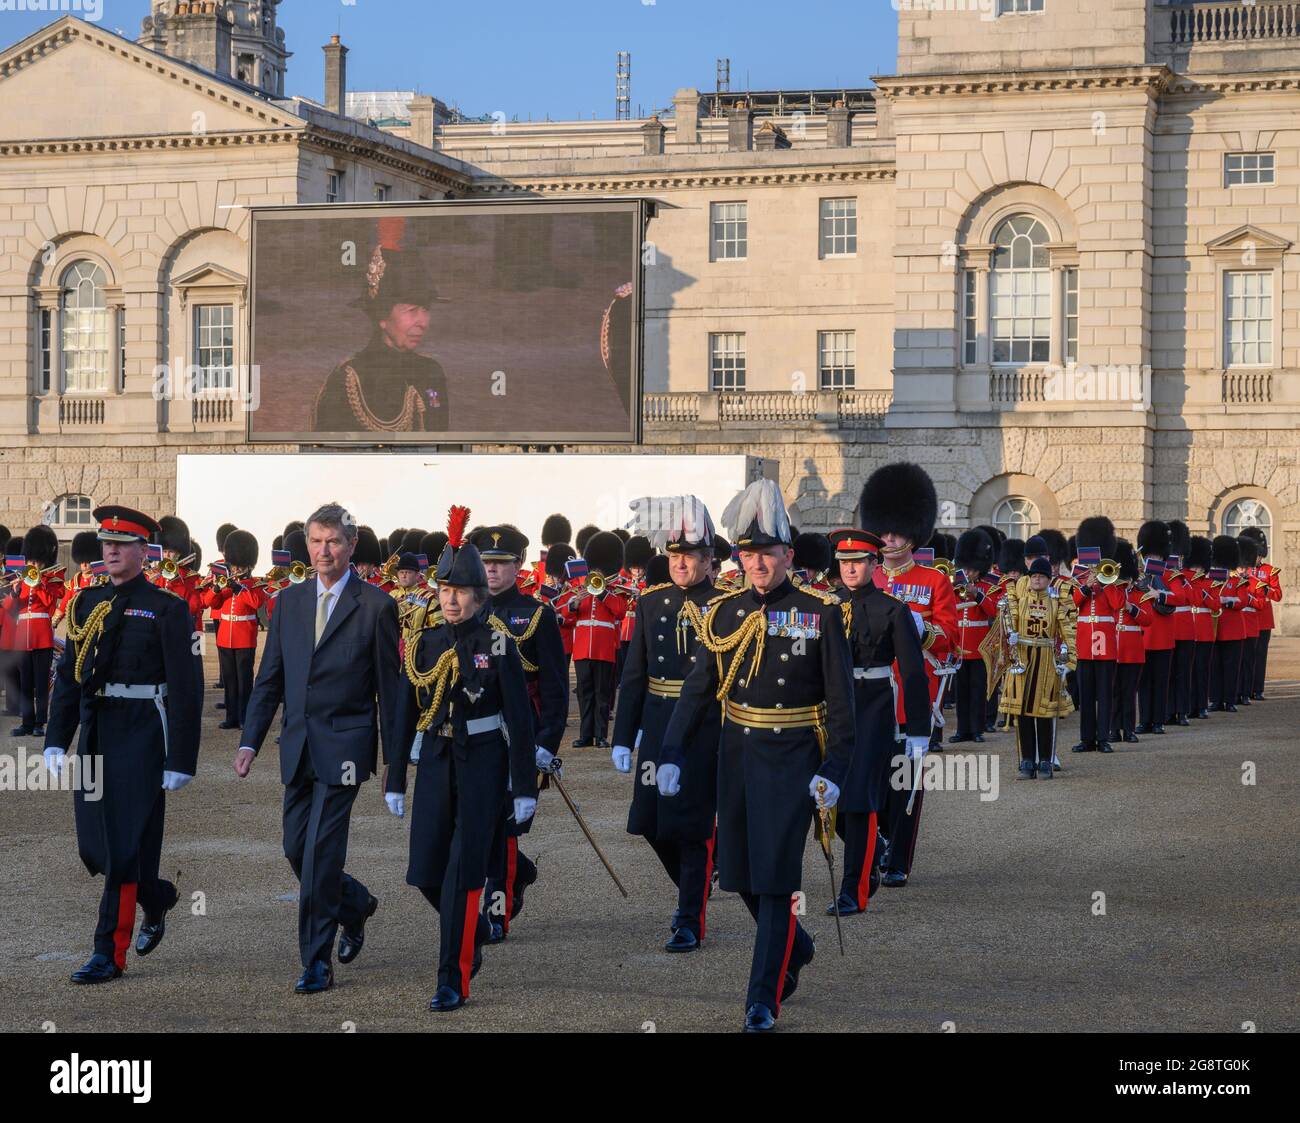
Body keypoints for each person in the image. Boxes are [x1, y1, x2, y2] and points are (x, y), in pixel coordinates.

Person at [659, 479, 854, 1032]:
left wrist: (834, 768)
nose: (758, 563)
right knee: (740, 874)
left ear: (788, 555)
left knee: (774, 879)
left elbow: (841, 703)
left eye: (767, 553)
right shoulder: (723, 612)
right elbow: (699, 687)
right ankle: (796, 947)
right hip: (738, 754)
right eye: (748, 554)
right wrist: (672, 750)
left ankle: (761, 998)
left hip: (794, 758)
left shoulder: (820, 611)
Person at [235, 502, 400, 994]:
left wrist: (396, 766)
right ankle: (355, 905)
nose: (323, 551)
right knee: (294, 848)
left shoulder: (377, 606)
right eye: (315, 541)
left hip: (347, 746)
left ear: (351, 546)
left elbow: (390, 693)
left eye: (333, 542)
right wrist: (250, 740)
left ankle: (315, 960)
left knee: (320, 855)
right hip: (298, 745)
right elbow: (269, 680)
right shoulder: (287, 602)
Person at [385, 513, 537, 1012]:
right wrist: (394, 777)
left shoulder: (498, 643)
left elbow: (519, 717)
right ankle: (468, 933)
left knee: (462, 873)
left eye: (461, 590)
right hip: (435, 757)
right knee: (426, 871)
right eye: (445, 588)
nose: (451, 599)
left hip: (483, 762)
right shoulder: (426, 641)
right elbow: (405, 711)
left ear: (479, 594)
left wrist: (524, 789)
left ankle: (452, 975)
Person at [43, 505, 202, 983]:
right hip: (96, 730)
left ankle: (107, 953)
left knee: (125, 841)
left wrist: (181, 758)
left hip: (143, 733)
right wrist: (56, 739)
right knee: (95, 847)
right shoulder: (86, 603)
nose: (110, 550)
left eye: (122, 543)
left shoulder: (167, 607)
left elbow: (188, 688)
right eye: (106, 542)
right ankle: (155, 895)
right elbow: (70, 677)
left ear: (143, 551)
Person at [612, 496, 721, 952]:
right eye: (674, 556)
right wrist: (623, 734)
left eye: (690, 556)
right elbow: (634, 673)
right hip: (657, 722)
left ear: (709, 559)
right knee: (651, 823)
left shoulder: (726, 605)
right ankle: (694, 886)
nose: (680, 564)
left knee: (692, 826)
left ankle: (688, 916)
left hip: (703, 724)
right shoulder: (650, 602)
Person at [858, 462, 956, 887]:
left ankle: (898, 857)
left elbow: (950, 640)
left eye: (897, 531)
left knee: (907, 785)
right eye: (885, 530)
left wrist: (924, 629)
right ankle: (873, 849)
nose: (890, 538)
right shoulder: (867, 577)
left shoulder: (934, 581)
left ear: (913, 533)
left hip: (912, 696)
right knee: (872, 780)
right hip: (872, 694)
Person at [470, 524, 568, 943]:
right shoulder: (466, 610)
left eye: (500, 564)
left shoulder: (536, 613)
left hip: (521, 731)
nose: (492, 571)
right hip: (477, 732)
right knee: (480, 820)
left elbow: (554, 687)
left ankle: (498, 913)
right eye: (486, 563)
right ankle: (522, 871)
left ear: (518, 566)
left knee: (507, 824)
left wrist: (545, 744)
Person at [825, 527, 928, 916]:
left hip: (873, 706)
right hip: (832, 706)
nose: (850, 569)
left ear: (873, 564)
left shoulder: (893, 609)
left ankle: (855, 887)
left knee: (859, 799)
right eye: (844, 562)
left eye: (858, 562)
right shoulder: (826, 605)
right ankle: (871, 853)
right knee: (828, 797)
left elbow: (914, 672)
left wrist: (918, 729)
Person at [310, 217, 450, 434]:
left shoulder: (431, 372)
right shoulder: (348, 380)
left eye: (426, 310)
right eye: (412, 311)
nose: (422, 322)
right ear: (381, 317)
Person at [997, 558, 1076, 778]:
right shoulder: (1020, 602)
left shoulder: (1056, 602)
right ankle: (1027, 761)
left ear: (1048, 580)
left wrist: (1069, 660)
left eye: (1040, 576)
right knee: (1022, 713)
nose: (1036, 580)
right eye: (1033, 577)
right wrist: (1009, 635)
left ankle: (1045, 761)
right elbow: (1006, 625)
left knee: (1043, 713)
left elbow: (1068, 631)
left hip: (1046, 661)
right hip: (1022, 660)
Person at [560, 531, 629, 748]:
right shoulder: (580, 590)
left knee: (602, 693)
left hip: (603, 649)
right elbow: (567, 617)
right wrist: (573, 603)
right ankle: (585, 734)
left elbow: (620, 612)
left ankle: (601, 736)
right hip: (582, 650)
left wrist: (602, 594)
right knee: (584, 693)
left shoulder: (614, 591)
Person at [202, 529, 266, 730]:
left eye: (240, 566)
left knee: (244, 680)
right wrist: (217, 589)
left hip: (245, 637)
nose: (236, 569)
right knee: (229, 680)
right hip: (224, 637)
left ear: (249, 566)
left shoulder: (255, 584)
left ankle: (245, 717)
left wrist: (239, 588)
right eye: (234, 565)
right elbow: (208, 602)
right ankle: (231, 716)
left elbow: (256, 603)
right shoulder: (227, 584)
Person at [1072, 516, 1124, 754]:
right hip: (1084, 644)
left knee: (1104, 694)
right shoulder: (1079, 578)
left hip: (1105, 645)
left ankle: (1103, 738)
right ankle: (1087, 738)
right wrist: (1086, 585)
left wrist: (1105, 583)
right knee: (1086, 695)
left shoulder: (1112, 578)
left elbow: (1117, 604)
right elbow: (1073, 603)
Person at [949, 529, 998, 745]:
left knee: (978, 690)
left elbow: (994, 612)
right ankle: (962, 730)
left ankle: (978, 729)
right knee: (962, 692)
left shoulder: (988, 587)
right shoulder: (953, 587)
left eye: (972, 570)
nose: (968, 573)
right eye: (966, 568)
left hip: (979, 646)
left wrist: (977, 595)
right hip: (960, 645)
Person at [1134, 521, 1181, 735]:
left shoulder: (1171, 576)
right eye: (1149, 556)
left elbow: (1182, 597)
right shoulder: (1138, 577)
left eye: (1156, 556)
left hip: (1162, 635)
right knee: (1144, 683)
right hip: (1143, 636)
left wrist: (1160, 594)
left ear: (1163, 557)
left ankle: (1159, 721)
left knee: (1161, 681)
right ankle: (1144, 720)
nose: (1153, 559)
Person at [1111, 541, 1152, 745]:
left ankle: (1128, 729)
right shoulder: (1110, 593)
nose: (1124, 581)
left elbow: (1148, 619)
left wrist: (1130, 606)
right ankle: (1112, 729)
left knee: (1128, 692)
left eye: (1126, 578)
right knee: (1113, 692)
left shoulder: (1139, 595)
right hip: (1112, 648)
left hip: (1132, 649)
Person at [1240, 527, 1280, 700]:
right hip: (1246, 617)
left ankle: (1258, 689)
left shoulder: (1270, 571)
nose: (1258, 557)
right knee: (1245, 655)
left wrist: (1265, 589)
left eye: (1259, 554)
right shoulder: (1242, 570)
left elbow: (1277, 595)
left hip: (1263, 617)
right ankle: (1245, 689)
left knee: (1260, 655)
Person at [1207, 535, 1245, 712]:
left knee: (1231, 666)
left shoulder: (1237, 580)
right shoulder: (1211, 578)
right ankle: (1216, 700)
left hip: (1233, 629)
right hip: (1214, 627)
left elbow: (1242, 601)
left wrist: (1226, 600)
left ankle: (1229, 700)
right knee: (1215, 665)